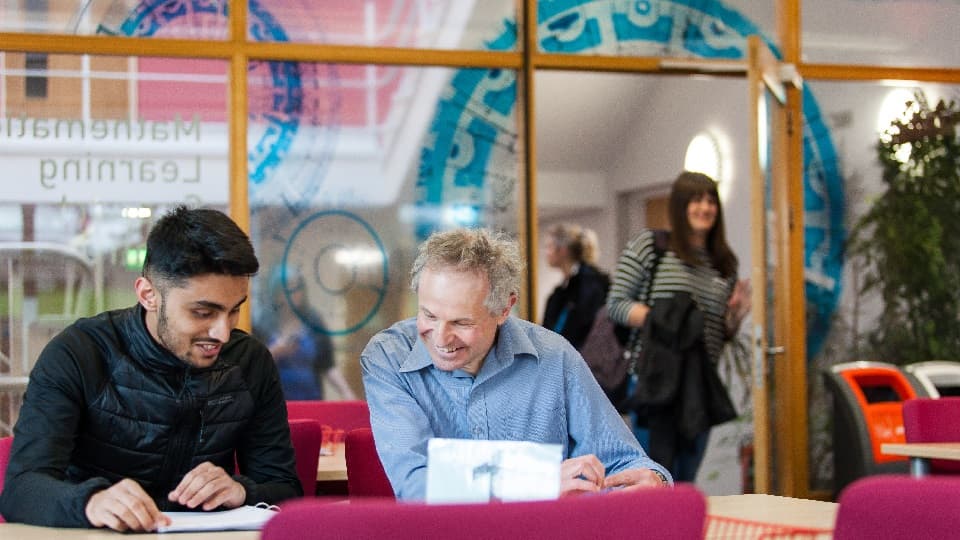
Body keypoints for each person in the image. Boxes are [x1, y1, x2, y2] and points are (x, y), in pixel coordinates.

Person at [0, 206, 301, 532]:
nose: (222, 333)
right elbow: (22, 490)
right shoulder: (79, 353)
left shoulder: (249, 362)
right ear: (148, 294)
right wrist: (91, 502)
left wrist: (243, 490)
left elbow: (286, 489)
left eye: (233, 312)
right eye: (203, 312)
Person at [361, 227, 671, 501]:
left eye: (461, 321)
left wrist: (652, 479)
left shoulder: (554, 357)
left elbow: (625, 461)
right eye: (428, 315)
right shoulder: (389, 357)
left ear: (505, 308)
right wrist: (539, 481)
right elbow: (415, 484)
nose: (441, 337)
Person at [606, 171, 751, 483]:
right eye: (696, 200)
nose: (704, 208)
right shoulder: (651, 246)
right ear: (680, 206)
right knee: (653, 478)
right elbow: (616, 304)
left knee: (687, 478)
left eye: (711, 201)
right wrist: (667, 318)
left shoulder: (724, 264)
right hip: (654, 377)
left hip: (698, 385)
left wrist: (736, 315)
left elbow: (715, 333)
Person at [258, 268, 356, 401]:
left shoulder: (313, 321)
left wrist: (346, 392)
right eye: (287, 289)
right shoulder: (263, 322)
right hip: (275, 403)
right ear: (276, 293)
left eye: (297, 288)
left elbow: (327, 364)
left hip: (311, 400)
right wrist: (276, 352)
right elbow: (254, 367)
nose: (294, 294)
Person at [540, 223, 610, 350]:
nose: (546, 252)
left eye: (549, 247)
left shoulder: (590, 285)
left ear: (563, 250)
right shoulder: (565, 288)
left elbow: (585, 329)